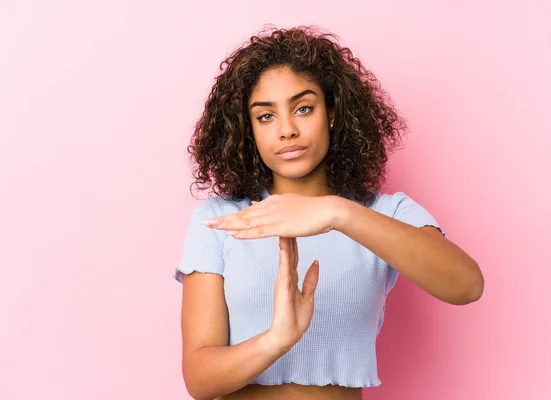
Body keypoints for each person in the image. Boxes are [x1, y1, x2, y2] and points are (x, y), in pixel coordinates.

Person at [174, 26, 484, 400]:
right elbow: (199, 379)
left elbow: (466, 286)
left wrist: (338, 213)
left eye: (303, 108)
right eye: (266, 116)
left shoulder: (384, 213)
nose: (287, 130)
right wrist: (275, 341)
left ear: (332, 113)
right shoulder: (220, 220)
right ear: (247, 129)